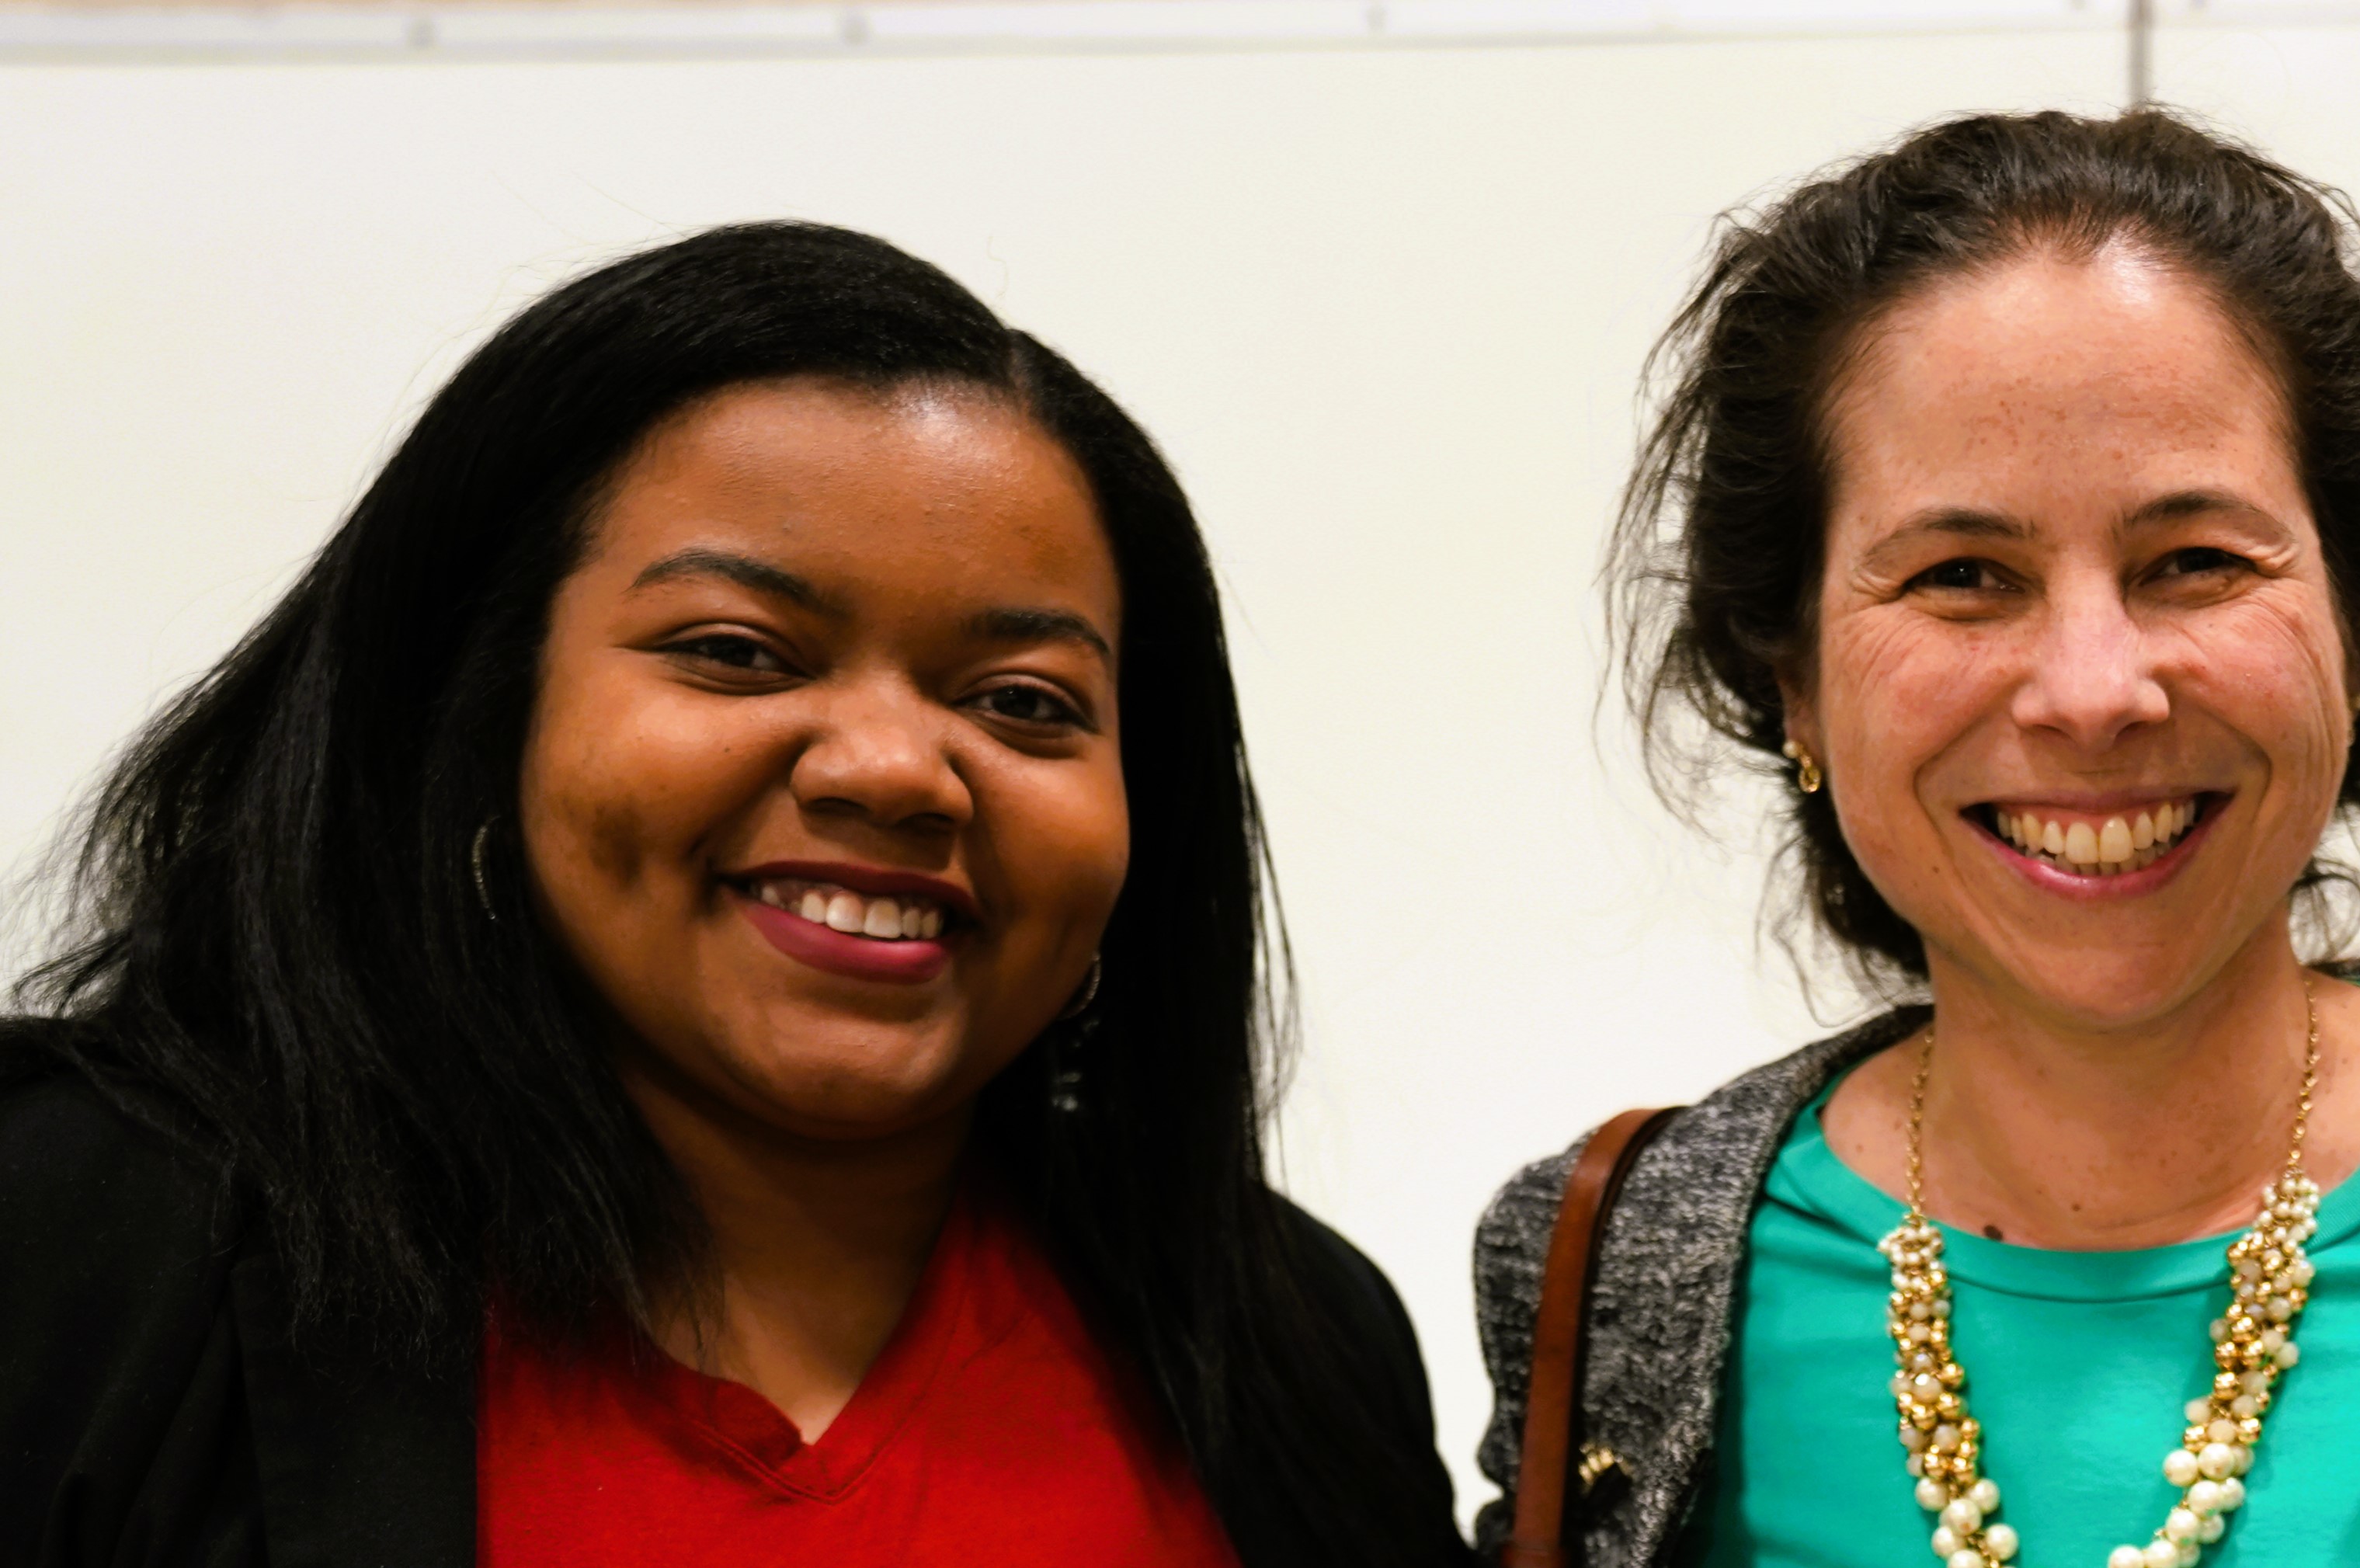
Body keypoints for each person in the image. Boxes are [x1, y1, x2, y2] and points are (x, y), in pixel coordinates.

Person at [1, 221, 1466, 1568]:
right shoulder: (75, 1242)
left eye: (1023, 702)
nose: (898, 770)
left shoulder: (1301, 1346)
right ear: (477, 713)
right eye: (738, 651)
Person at [1472, 110, 2360, 1568]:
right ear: (1792, 681)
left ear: (2359, 629)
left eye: (2195, 564)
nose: (2095, 692)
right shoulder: (1607, 1275)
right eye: (1962, 574)